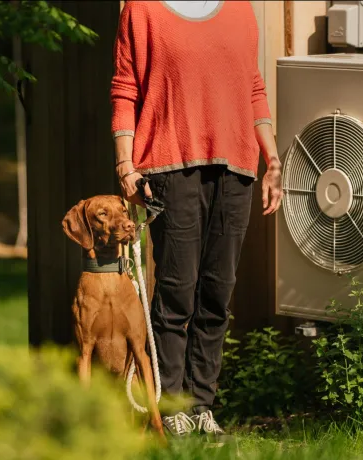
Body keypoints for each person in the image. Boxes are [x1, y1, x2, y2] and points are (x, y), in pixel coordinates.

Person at [111, 0, 283, 440]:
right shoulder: (142, 9)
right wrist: (126, 166)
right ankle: (171, 408)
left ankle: (201, 406)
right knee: (176, 292)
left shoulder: (242, 10)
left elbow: (253, 88)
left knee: (217, 294)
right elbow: (125, 88)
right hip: (170, 168)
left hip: (237, 170)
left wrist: (273, 158)